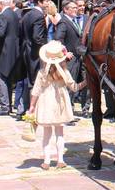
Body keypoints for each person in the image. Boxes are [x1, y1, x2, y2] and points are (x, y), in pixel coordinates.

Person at [27, 41, 87, 170]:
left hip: (46, 103)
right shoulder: (64, 72)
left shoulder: (42, 72)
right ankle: (60, 160)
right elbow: (75, 87)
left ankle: (47, 161)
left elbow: (36, 91)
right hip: (60, 104)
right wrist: (87, 81)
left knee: (46, 134)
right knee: (60, 134)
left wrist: (32, 106)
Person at [18, 0, 50, 119]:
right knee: (36, 81)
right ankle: (34, 110)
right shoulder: (38, 15)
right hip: (35, 53)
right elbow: (38, 37)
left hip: (26, 50)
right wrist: (47, 47)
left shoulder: (27, 14)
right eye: (46, 1)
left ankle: (25, 108)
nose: (48, 3)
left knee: (28, 81)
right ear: (40, 2)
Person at [53, 0, 85, 120]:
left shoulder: (73, 21)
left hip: (77, 58)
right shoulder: (64, 22)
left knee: (72, 88)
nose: (76, 9)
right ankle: (64, 115)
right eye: (74, 8)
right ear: (66, 9)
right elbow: (58, 39)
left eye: (76, 7)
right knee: (67, 88)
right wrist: (65, 53)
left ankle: (69, 113)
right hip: (69, 60)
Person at [0, 0, 22, 115]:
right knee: (8, 79)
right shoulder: (14, 13)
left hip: (3, 51)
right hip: (13, 51)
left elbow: (0, 33)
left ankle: (4, 106)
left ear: (0, 3)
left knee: (1, 78)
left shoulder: (4, 15)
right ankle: (8, 106)